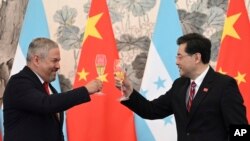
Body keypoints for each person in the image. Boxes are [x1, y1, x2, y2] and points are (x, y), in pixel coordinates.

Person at [116, 33, 248, 141]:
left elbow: (240, 130)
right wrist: (130, 92)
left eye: (180, 57)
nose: (176, 62)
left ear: (196, 57)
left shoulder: (224, 85)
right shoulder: (180, 85)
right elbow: (152, 110)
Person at [3, 38, 102, 141]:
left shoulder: (48, 88)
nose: (58, 66)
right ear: (36, 60)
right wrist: (85, 90)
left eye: (58, 61)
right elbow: (45, 104)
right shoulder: (18, 82)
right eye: (54, 60)